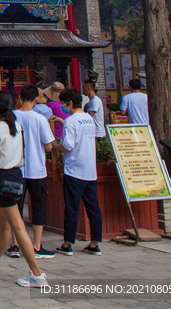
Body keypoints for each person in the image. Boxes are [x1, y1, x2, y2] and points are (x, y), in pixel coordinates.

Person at [0, 91, 48, 288]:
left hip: (3, 178)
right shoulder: (17, 126)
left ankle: (37, 274)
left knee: (17, 227)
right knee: (3, 225)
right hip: (17, 175)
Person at [52, 88, 103, 256]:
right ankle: (95, 243)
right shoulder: (89, 119)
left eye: (63, 103)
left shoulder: (71, 121)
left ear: (70, 103)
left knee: (72, 208)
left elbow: (67, 145)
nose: (62, 106)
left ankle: (67, 244)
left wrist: (54, 146)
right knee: (93, 207)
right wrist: (62, 121)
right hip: (90, 169)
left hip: (74, 169)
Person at [10, 84, 56, 259]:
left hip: (16, 168)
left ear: (20, 98)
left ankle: (15, 244)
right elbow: (49, 145)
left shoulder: (12, 117)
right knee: (38, 207)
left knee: (15, 207)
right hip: (37, 169)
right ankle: (36, 245)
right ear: (37, 99)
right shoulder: (39, 119)